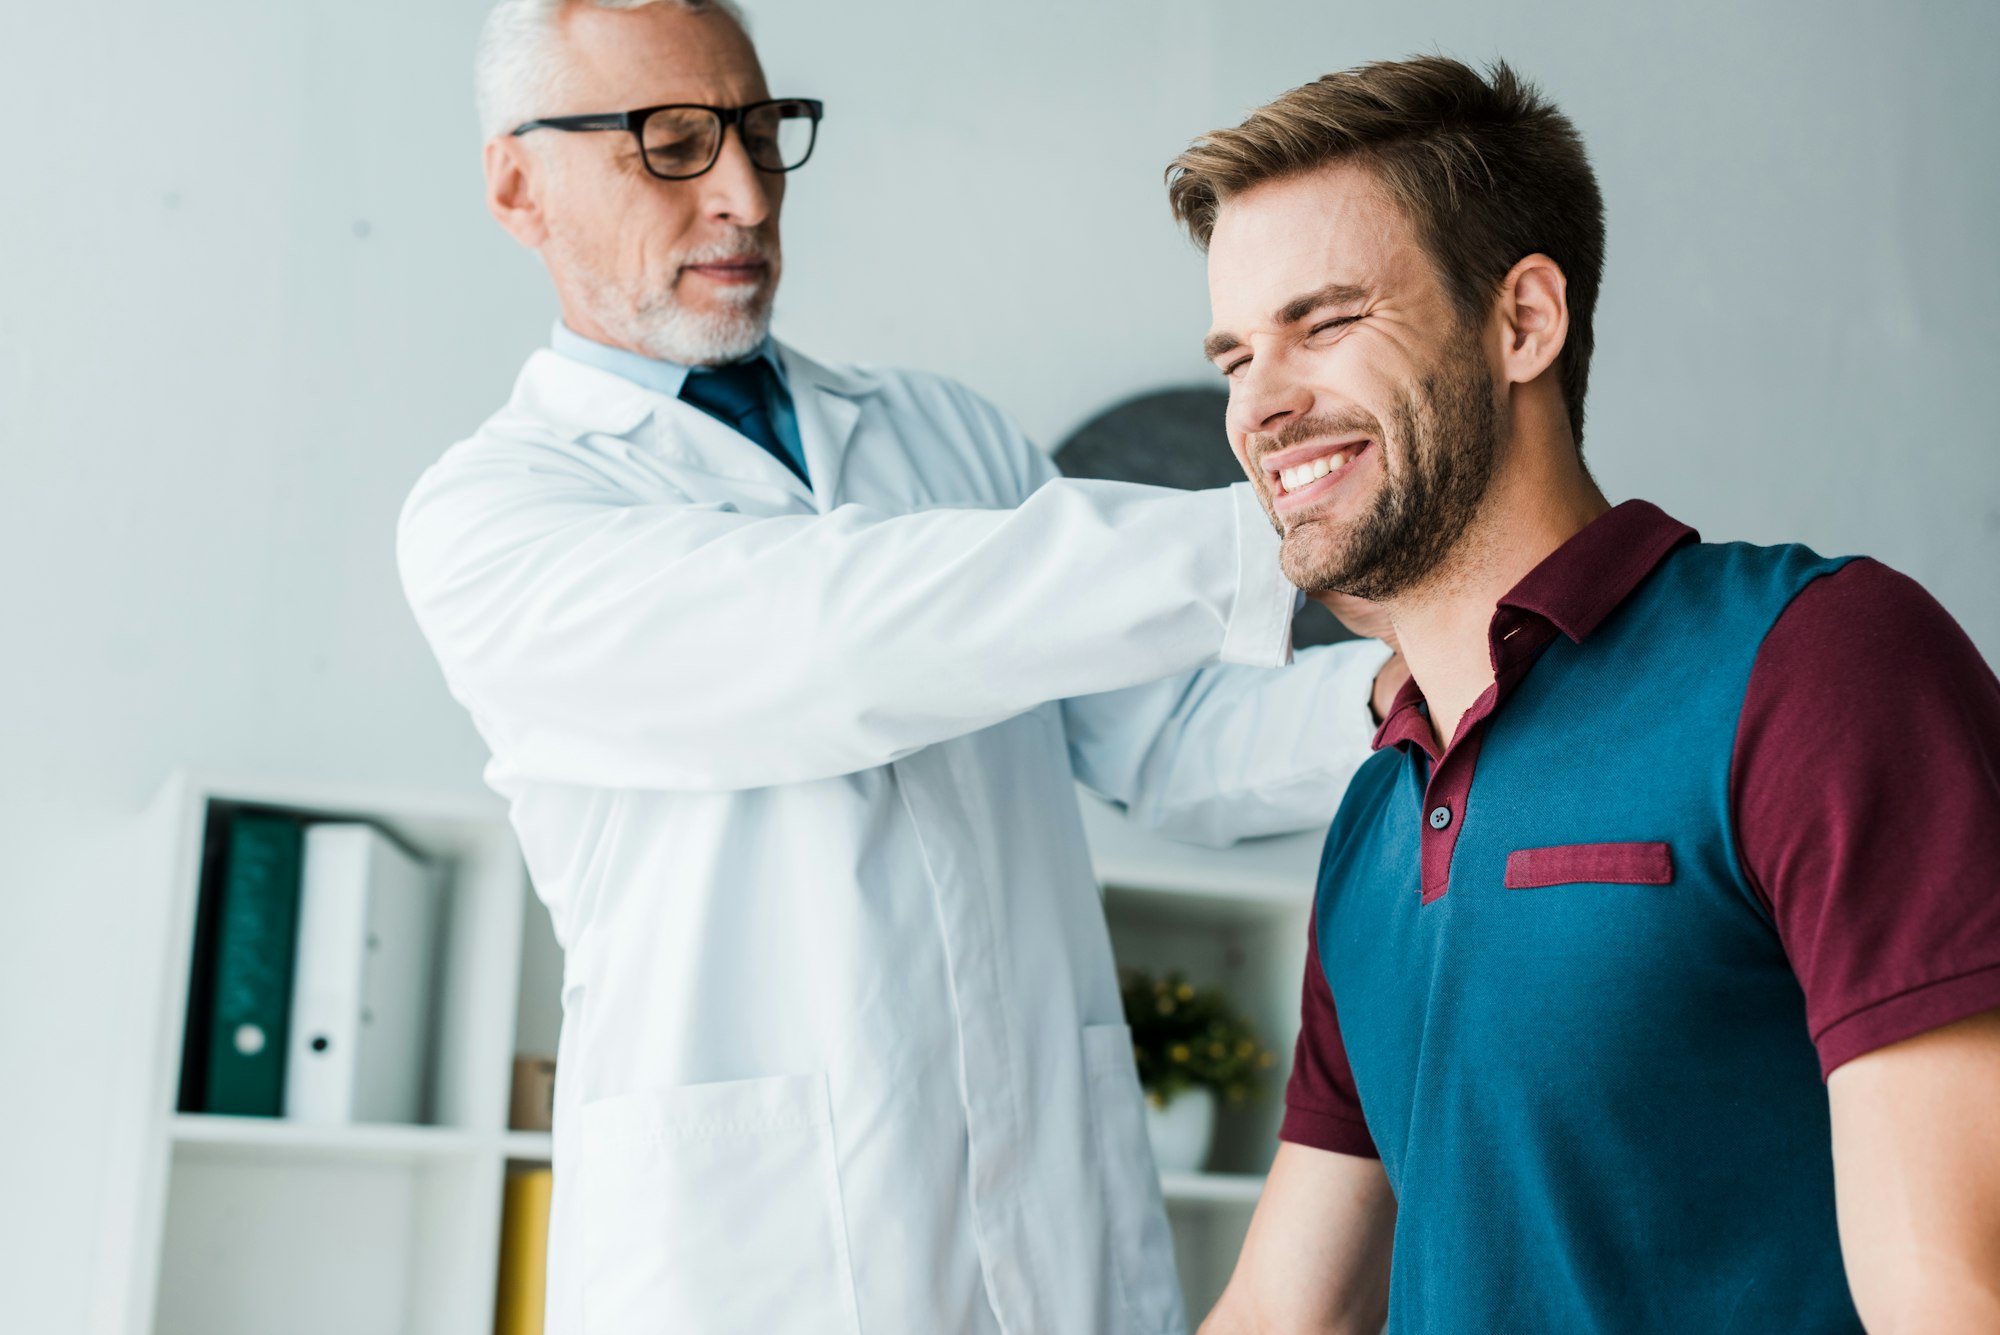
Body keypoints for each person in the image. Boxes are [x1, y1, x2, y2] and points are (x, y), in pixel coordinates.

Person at [396, 3, 1403, 1332]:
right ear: (517, 182)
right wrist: (1295, 521)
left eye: (761, 132)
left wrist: (1400, 695)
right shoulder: (494, 517)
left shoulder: (944, 433)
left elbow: (1164, 741)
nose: (747, 195)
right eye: (675, 144)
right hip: (753, 1265)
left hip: (1056, 1229)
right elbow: (836, 635)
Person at [1171, 56, 2000, 1335]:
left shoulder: (1814, 665)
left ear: (1522, 323)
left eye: (1323, 323)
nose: (1260, 404)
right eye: (1235, 353)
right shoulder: (1376, 816)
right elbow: (1288, 1309)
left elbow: (1955, 1292)